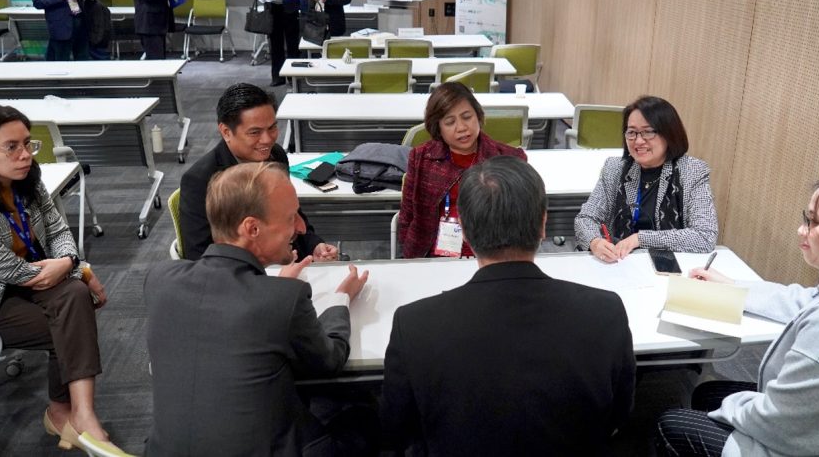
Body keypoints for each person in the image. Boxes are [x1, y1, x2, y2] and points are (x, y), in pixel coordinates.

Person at [656, 173, 819, 456]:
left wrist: (731, 408)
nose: (801, 230)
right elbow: (806, 299)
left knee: (671, 424)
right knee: (707, 394)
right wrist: (732, 287)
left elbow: (777, 424)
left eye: (813, 222)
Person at [381, 156, 636, 455]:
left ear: (463, 229)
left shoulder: (413, 324)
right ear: (543, 223)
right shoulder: (606, 312)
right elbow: (619, 415)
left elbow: (398, 430)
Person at [0, 105, 127, 456]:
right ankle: (61, 411)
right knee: (70, 322)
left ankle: (79, 413)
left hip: (32, 284)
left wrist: (75, 266)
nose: (25, 155)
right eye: (11, 147)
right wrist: (73, 269)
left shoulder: (28, 183)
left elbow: (59, 231)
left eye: (27, 143)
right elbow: (7, 269)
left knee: (74, 299)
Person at [145, 162, 370, 456]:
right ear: (252, 228)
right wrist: (341, 298)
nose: (301, 228)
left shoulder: (159, 280)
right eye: (291, 218)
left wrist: (273, 287)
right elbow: (329, 360)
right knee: (364, 413)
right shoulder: (282, 300)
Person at [179, 83, 337, 262]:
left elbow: (291, 214)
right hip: (240, 275)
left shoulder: (276, 155)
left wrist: (313, 245)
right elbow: (198, 256)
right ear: (226, 132)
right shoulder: (200, 180)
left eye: (272, 128)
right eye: (255, 132)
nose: (267, 139)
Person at [575, 95, 717, 260]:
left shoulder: (691, 171)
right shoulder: (615, 169)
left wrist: (640, 239)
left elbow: (705, 236)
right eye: (632, 132)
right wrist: (595, 242)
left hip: (669, 268)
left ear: (669, 134)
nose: (638, 141)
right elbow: (585, 218)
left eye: (648, 132)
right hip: (618, 264)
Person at [398, 82, 526, 258]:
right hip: (431, 255)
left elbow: (520, 220)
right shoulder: (421, 157)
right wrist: (409, 254)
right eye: (450, 122)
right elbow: (407, 215)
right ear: (438, 127)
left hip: (490, 255)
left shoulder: (509, 159)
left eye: (467, 117)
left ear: (478, 115)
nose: (461, 128)